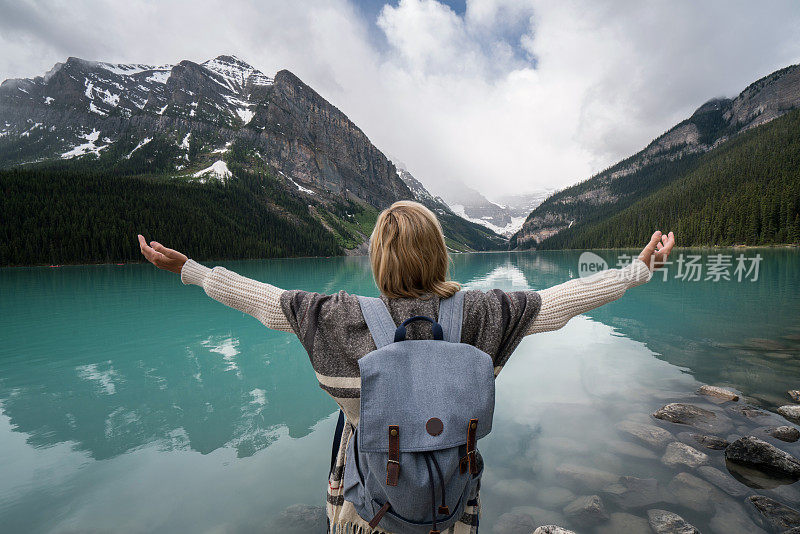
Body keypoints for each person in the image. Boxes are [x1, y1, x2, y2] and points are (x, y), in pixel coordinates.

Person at [138, 200, 675, 533]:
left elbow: (262, 299)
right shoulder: (483, 315)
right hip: (451, 503)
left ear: (377, 260)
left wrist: (190, 269)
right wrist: (636, 270)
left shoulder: (336, 319)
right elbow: (564, 300)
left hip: (366, 508)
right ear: (441, 254)